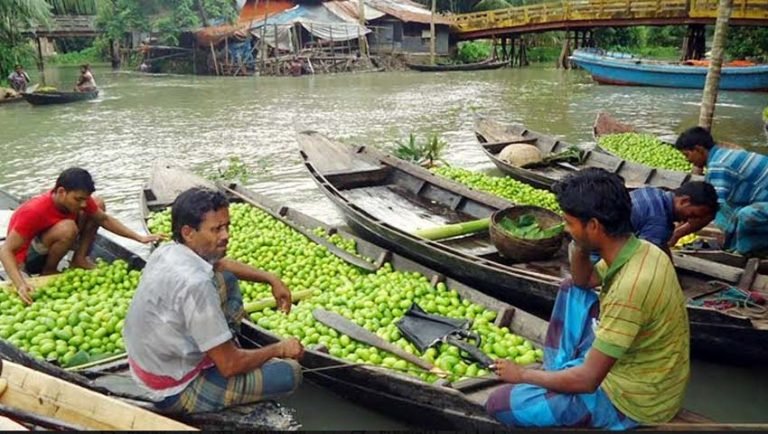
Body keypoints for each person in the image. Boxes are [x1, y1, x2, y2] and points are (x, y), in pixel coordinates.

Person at [486, 168, 690, 429]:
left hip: (636, 402)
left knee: (500, 404)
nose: (566, 230)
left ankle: (566, 381)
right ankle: (560, 368)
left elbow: (588, 381)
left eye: (569, 223)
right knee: (572, 288)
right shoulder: (643, 250)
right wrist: (579, 244)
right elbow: (584, 281)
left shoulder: (630, 288)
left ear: (594, 226)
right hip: (647, 375)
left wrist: (523, 374)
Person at [123, 187, 303, 414]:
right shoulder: (196, 286)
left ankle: (224, 345)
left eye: (227, 226)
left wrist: (271, 279)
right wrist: (280, 348)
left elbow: (222, 264)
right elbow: (229, 366)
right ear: (189, 232)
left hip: (148, 365)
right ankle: (225, 355)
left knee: (226, 278)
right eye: (217, 229)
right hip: (174, 388)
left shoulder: (167, 251)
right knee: (290, 373)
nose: (226, 235)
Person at [0, 168, 161, 304]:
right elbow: (5, 250)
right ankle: (48, 271)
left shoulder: (80, 201)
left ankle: (79, 259)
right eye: (78, 199)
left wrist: (139, 238)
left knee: (98, 205)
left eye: (85, 199)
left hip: (53, 243)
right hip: (28, 259)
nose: (83, 204)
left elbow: (104, 219)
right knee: (67, 228)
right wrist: (20, 284)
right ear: (61, 192)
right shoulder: (34, 210)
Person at [674, 127, 768, 256]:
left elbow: (709, 211)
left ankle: (748, 251)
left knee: (745, 214)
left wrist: (677, 234)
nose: (687, 160)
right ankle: (736, 243)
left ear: (699, 150)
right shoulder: (721, 155)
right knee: (726, 209)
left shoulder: (719, 165)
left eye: (687, 155)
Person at [631, 182, 719, 253]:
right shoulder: (659, 222)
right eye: (693, 214)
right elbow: (648, 256)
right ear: (684, 201)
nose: (691, 220)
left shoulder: (650, 192)